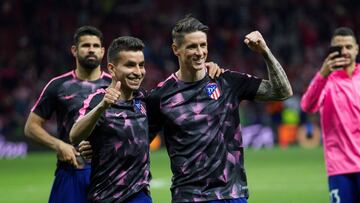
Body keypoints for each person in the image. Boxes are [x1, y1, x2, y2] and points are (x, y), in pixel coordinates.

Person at [146, 16, 293, 203]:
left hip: (232, 194)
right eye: (192, 47)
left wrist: (265, 51)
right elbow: (140, 145)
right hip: (188, 196)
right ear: (176, 49)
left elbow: (282, 91)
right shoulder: (161, 96)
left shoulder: (226, 81)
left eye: (203, 45)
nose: (200, 52)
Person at [24, 26, 111, 203]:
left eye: (96, 46)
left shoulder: (115, 85)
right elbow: (31, 127)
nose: (91, 50)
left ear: (103, 52)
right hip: (72, 171)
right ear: (74, 50)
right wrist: (58, 145)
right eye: (86, 45)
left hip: (108, 173)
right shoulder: (58, 85)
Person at [69, 36, 152, 203]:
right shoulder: (96, 99)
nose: (138, 71)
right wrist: (102, 107)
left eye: (141, 65)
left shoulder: (144, 98)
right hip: (105, 196)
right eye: (130, 65)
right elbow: (74, 136)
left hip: (139, 195)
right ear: (112, 69)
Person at [301, 27, 360, 203]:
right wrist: (323, 74)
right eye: (338, 48)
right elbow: (307, 106)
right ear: (330, 50)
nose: (344, 52)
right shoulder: (326, 81)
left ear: (357, 48)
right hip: (339, 168)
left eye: (349, 47)